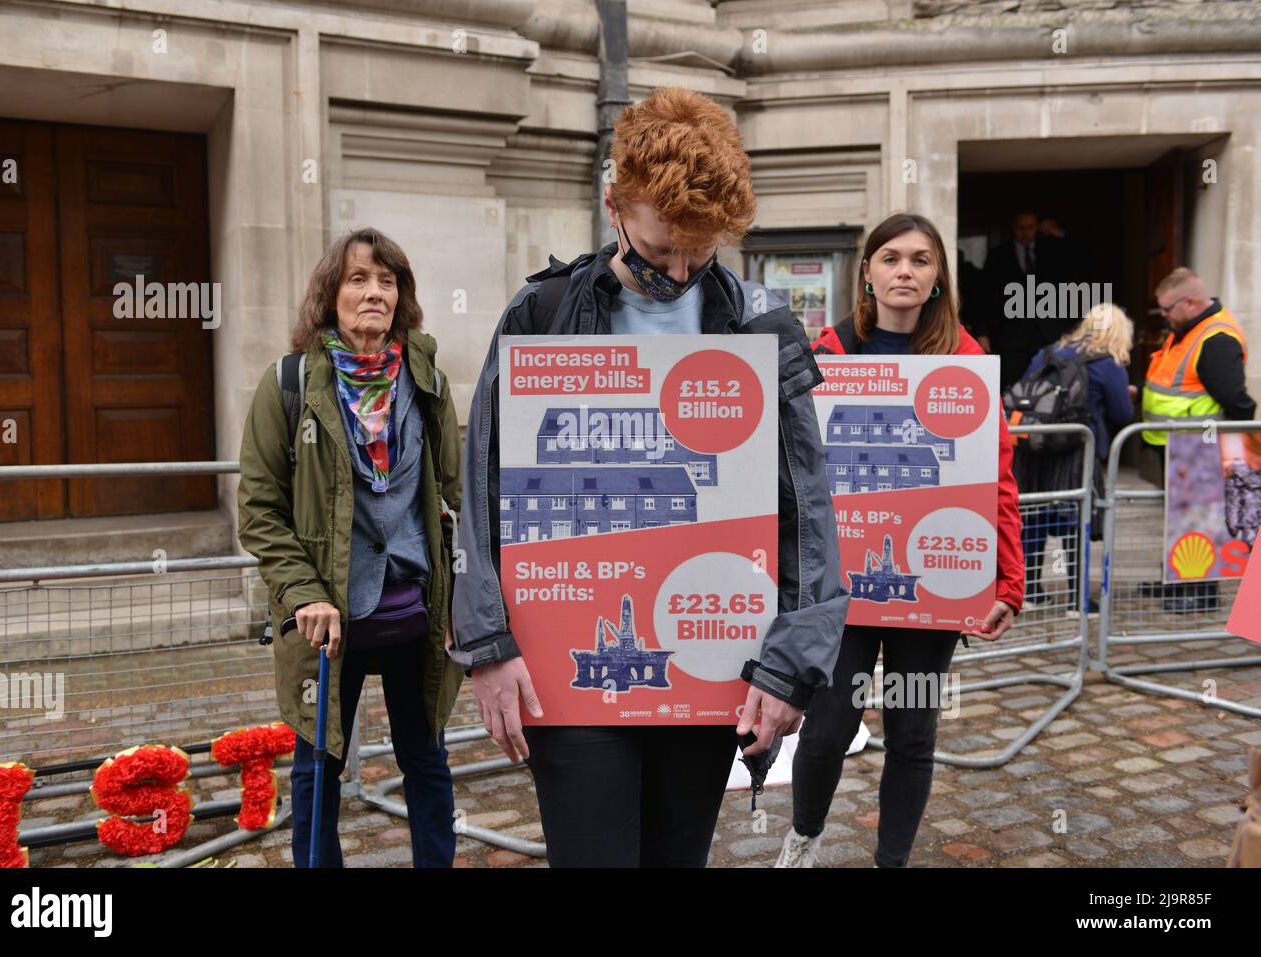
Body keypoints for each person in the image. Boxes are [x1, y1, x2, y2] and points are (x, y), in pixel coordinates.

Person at [449, 86, 850, 868]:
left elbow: (805, 507)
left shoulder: (759, 323)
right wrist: (488, 645)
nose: (678, 269)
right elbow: (483, 490)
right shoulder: (542, 311)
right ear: (614, 205)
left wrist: (791, 664)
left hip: (710, 663)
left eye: (697, 253)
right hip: (566, 667)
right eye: (661, 246)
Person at [779, 212, 1025, 868]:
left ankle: (893, 861)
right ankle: (803, 837)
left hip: (930, 580)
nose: (905, 271)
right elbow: (795, 468)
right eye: (891, 258)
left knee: (913, 731)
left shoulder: (964, 357)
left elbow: (996, 475)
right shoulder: (829, 349)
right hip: (843, 585)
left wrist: (1009, 578)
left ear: (939, 274)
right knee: (828, 728)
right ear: (868, 272)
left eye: (920, 259)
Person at [238, 227, 463, 867]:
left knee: (428, 762)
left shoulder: (429, 382)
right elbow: (258, 510)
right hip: (329, 623)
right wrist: (305, 592)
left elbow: (454, 492)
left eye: (386, 281)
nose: (373, 293)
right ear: (329, 296)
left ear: (402, 296)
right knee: (318, 769)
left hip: (416, 612)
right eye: (357, 280)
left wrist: (468, 597)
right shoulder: (288, 384)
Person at [1142, 267, 1254, 613]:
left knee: (1199, 519)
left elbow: (1237, 400)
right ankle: (1174, 582)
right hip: (1180, 443)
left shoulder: (1215, 338)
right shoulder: (1188, 328)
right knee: (1181, 518)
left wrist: (1231, 447)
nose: (1164, 317)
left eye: (1167, 309)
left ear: (1190, 302)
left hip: (1199, 446)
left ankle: (1198, 593)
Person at [1014, 303, 1135, 613]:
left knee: (1035, 518)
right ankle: (1078, 600)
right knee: (1075, 522)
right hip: (1077, 450)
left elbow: (1027, 393)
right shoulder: (1107, 363)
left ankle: (1030, 593)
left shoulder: (1049, 352)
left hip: (1036, 448)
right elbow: (1123, 414)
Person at [982, 210, 1064, 386]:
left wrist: (1060, 235)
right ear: (1013, 228)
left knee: (1050, 388)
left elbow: (1077, 265)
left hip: (1048, 334)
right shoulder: (998, 256)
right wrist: (982, 332)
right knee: (1011, 389)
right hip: (1011, 337)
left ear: (1037, 228)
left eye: (1030, 227)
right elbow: (984, 296)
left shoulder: (1053, 251)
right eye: (1020, 227)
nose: (1025, 232)